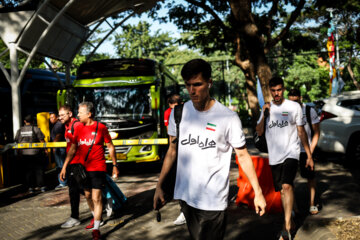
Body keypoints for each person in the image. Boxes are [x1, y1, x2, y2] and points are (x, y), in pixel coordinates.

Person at [153, 59, 266, 240]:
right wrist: (160, 186)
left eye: (197, 84)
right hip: (185, 196)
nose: (192, 90)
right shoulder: (179, 113)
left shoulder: (228, 117)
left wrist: (258, 193)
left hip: (213, 199)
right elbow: (172, 151)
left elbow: (243, 156)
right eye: (188, 85)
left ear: (209, 83)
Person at [256, 77, 314, 240]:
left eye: (279, 90)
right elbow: (259, 131)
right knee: (282, 190)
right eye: (273, 91)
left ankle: (286, 226)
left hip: (292, 152)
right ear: (270, 91)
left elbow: (301, 131)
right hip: (275, 155)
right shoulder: (266, 108)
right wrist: (264, 113)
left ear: (283, 89)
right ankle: (291, 221)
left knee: (287, 186)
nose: (276, 93)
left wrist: (309, 155)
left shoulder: (294, 107)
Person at [60, 102, 119, 240]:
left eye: (80, 112)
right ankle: (96, 216)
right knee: (87, 195)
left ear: (89, 114)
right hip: (83, 169)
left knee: (95, 197)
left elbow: (110, 146)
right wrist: (64, 167)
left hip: (98, 168)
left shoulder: (101, 127)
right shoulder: (78, 129)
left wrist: (115, 165)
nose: (78, 114)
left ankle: (96, 229)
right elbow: (73, 149)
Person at [288, 89, 320, 215]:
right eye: (291, 101)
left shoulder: (309, 110)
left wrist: (310, 153)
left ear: (300, 98)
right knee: (289, 180)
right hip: (291, 150)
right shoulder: (286, 112)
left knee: (310, 177)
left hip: (306, 151)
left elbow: (316, 132)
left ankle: (312, 203)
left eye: (296, 100)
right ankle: (293, 207)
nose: (294, 103)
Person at [58, 105, 84, 228]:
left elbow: (73, 149)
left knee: (77, 189)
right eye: (59, 115)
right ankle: (103, 202)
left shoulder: (76, 125)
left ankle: (75, 217)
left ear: (70, 114)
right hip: (72, 163)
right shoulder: (67, 126)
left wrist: (63, 167)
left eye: (62, 115)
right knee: (76, 189)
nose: (60, 118)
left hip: (78, 163)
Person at [163, 93, 186, 226]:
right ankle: (184, 211)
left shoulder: (189, 110)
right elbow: (171, 135)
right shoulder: (170, 113)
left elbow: (169, 133)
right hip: (177, 151)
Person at [14, 115, 47, 193]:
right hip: (36, 153)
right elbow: (42, 141)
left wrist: (19, 153)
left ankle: (30, 187)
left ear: (25, 121)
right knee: (38, 171)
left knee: (28, 171)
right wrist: (45, 150)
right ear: (33, 121)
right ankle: (41, 187)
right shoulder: (36, 129)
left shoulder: (20, 130)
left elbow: (17, 142)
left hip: (24, 154)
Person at [50, 112, 67, 190]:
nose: (51, 119)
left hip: (60, 148)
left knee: (60, 165)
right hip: (59, 148)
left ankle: (63, 182)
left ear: (57, 117)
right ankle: (63, 182)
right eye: (50, 118)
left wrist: (54, 146)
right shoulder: (56, 125)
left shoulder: (58, 125)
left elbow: (58, 135)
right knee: (60, 165)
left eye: (52, 117)